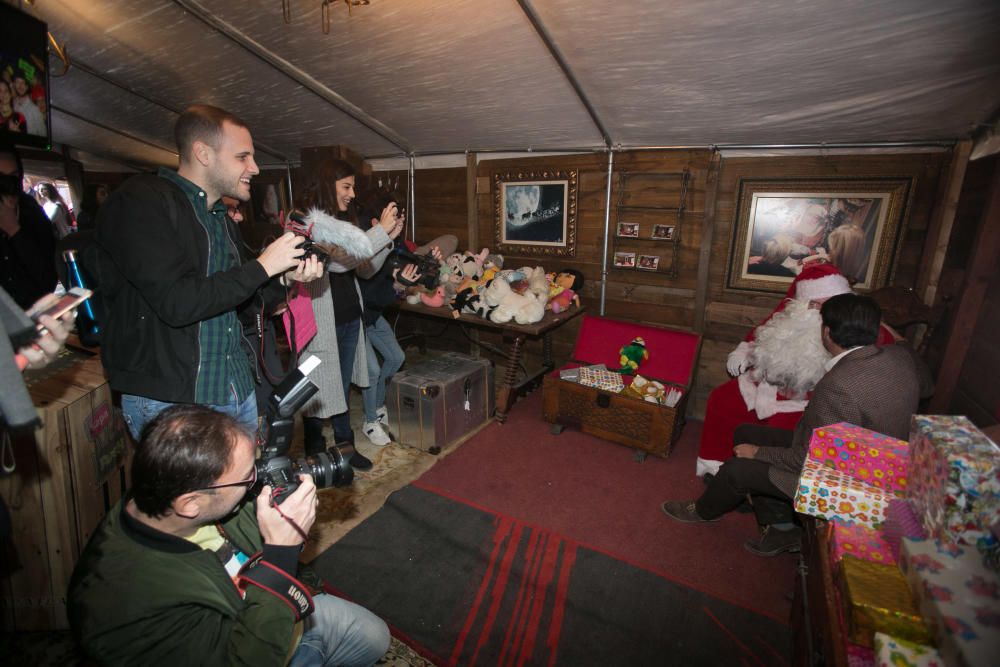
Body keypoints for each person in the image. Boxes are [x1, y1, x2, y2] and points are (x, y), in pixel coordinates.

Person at [67, 405, 390, 666]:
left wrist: (284, 512)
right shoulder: (130, 608)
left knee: (374, 637)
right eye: (248, 476)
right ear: (191, 503)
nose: (258, 478)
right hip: (252, 642)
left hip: (268, 612)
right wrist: (281, 554)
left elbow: (248, 524)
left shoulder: (168, 495)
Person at [93, 104, 323, 440]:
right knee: (194, 496)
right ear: (203, 153)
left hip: (235, 389)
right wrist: (262, 266)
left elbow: (242, 303)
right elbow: (177, 302)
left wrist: (285, 279)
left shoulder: (219, 219)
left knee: (243, 493)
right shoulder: (142, 202)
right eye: (243, 157)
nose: (255, 168)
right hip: (177, 403)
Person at [662, 293, 921, 556]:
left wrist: (757, 453)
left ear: (827, 333)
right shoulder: (900, 357)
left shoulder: (837, 386)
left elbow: (811, 460)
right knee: (745, 431)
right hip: (873, 460)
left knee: (737, 468)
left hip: (846, 479)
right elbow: (913, 361)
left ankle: (705, 511)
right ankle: (781, 526)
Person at [695, 262, 898, 478]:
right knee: (722, 399)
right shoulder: (788, 319)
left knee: (779, 426)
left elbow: (882, 350)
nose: (820, 311)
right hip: (767, 383)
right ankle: (715, 465)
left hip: (811, 400)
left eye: (827, 304)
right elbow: (761, 334)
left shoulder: (854, 329)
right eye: (814, 304)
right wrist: (742, 353)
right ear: (801, 304)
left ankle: (760, 478)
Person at [300, 160, 402, 469]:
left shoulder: (344, 220)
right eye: (346, 186)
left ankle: (345, 448)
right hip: (319, 321)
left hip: (347, 318)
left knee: (342, 385)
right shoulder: (312, 224)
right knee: (316, 387)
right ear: (326, 186)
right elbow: (340, 263)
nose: (352, 193)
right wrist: (380, 231)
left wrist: (388, 239)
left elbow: (364, 268)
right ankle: (315, 450)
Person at [0, 141, 59, 309]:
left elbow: (48, 278)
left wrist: (14, 230)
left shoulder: (31, 212)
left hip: (34, 318)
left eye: (13, 176)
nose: (8, 185)